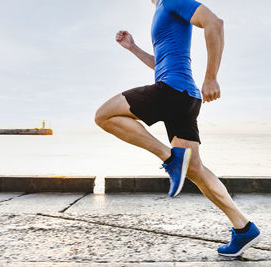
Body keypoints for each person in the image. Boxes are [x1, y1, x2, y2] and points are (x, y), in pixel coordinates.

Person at [95, 0, 261, 257]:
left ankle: (170, 158)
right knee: (195, 170)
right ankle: (243, 227)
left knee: (104, 115)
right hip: (182, 96)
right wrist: (133, 48)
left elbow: (214, 23)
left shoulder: (173, 0)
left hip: (173, 91)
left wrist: (211, 76)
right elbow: (160, 62)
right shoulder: (162, 10)